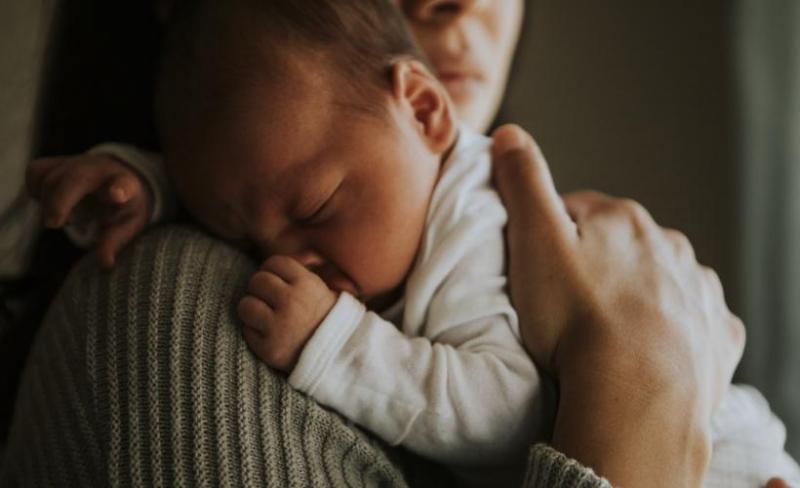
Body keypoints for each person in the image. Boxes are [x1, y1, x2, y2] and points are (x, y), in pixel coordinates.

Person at [2, 0, 792, 486]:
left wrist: (337, 345)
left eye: (315, 208)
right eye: (236, 234)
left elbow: (502, 408)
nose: (283, 258)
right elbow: (260, 177)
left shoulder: (474, 237)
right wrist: (145, 182)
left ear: (422, 110)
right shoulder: (173, 302)